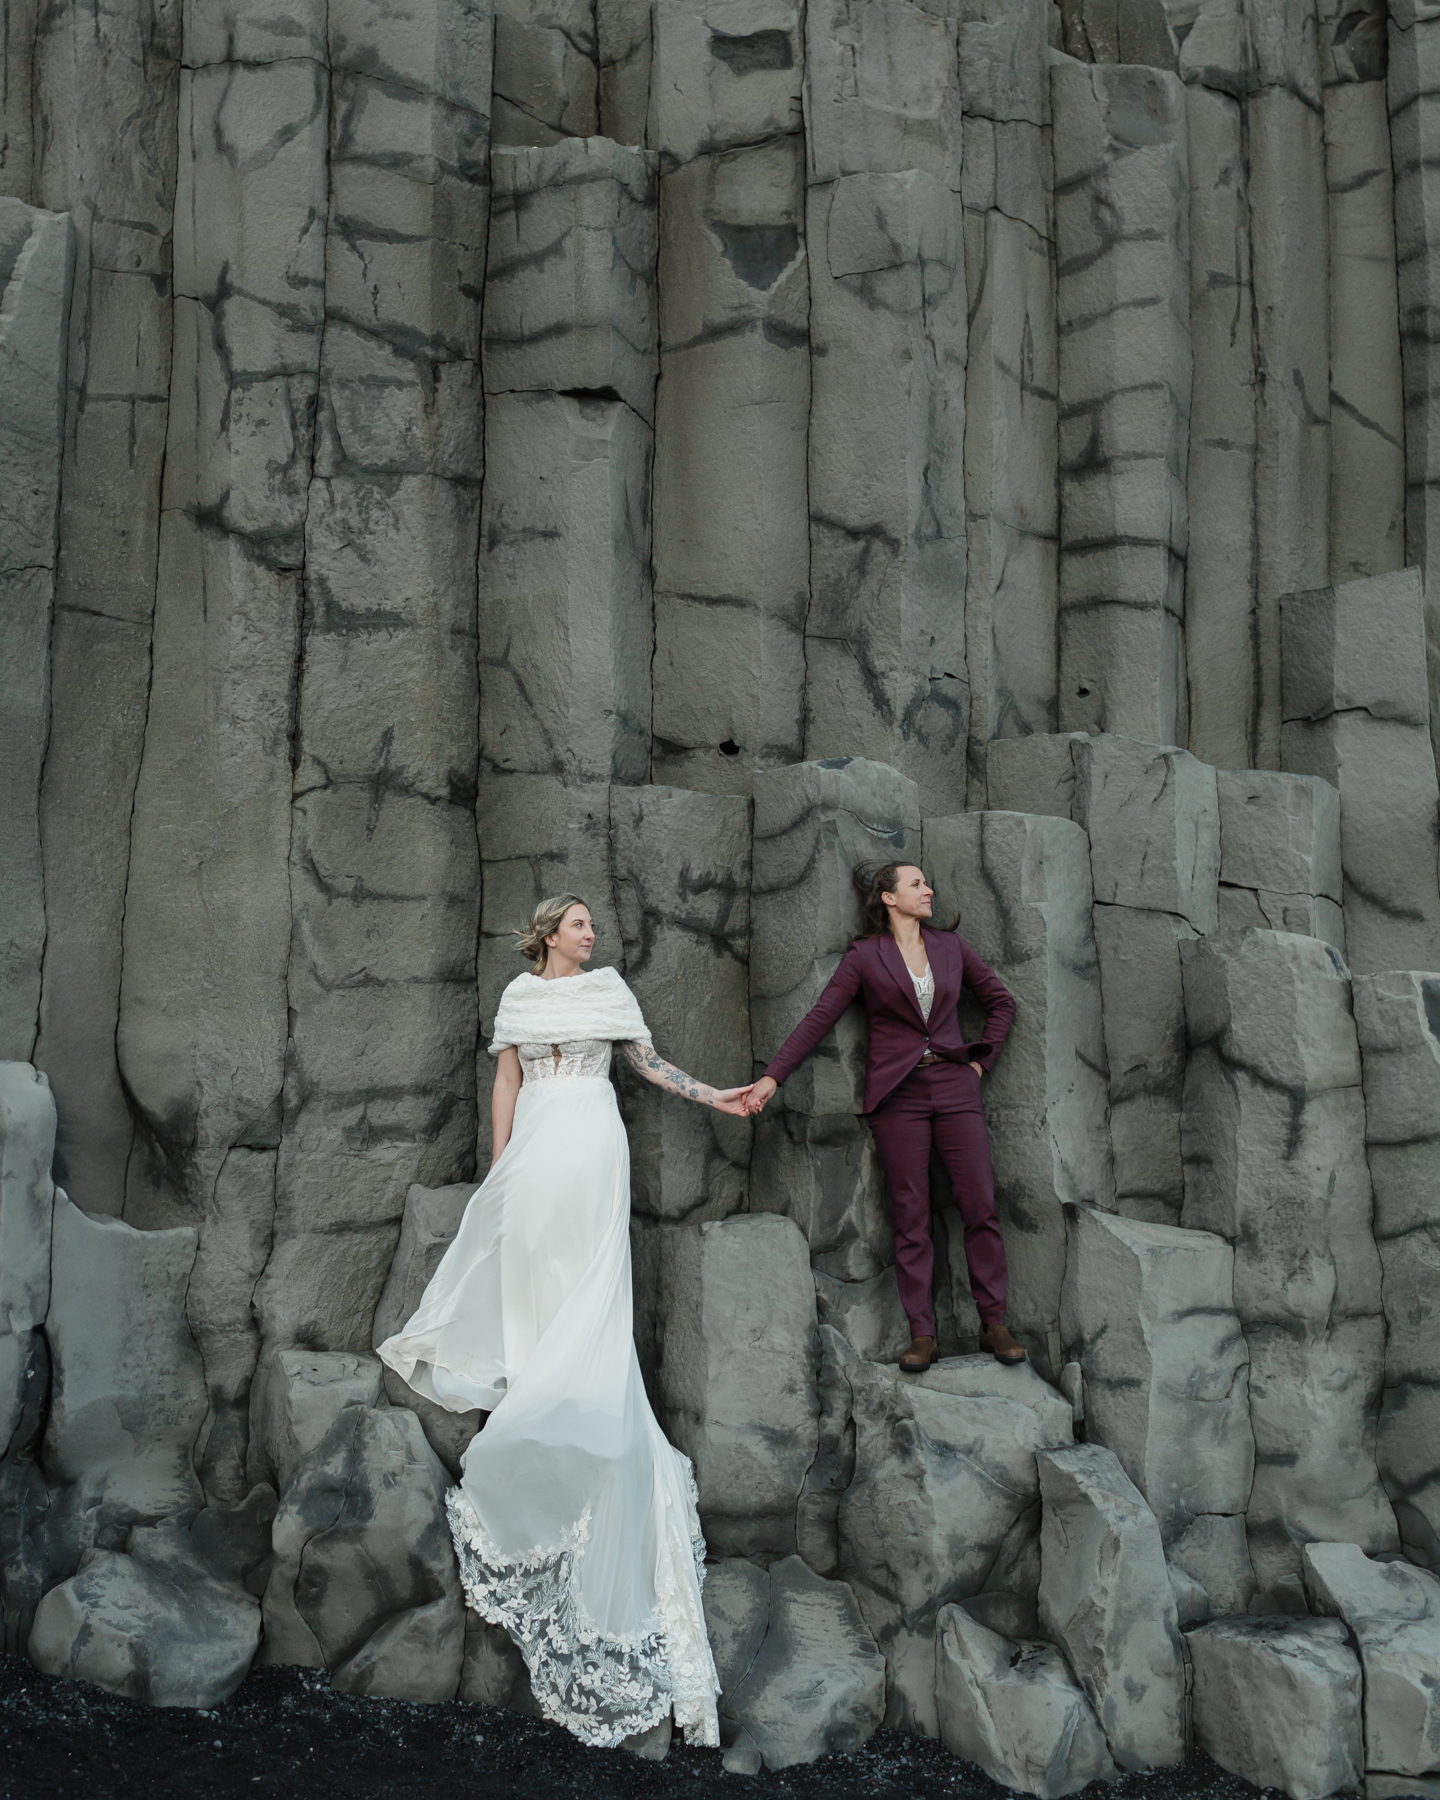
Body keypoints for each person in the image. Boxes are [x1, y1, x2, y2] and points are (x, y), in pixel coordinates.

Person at [378, 894, 754, 1750]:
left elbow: (650, 1066)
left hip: (592, 1138)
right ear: (549, 932)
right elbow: (506, 1079)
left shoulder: (611, 990)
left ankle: (576, 1403)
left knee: (592, 1275)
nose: (593, 935)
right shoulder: (517, 996)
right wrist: (502, 1169)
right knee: (534, 1265)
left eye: (592, 927)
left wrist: (719, 1098)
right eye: (580, 925)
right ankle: (540, 1383)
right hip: (539, 1144)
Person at [744, 861, 1023, 1373]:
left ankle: (994, 1322)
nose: (928, 889)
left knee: (979, 1202)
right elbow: (819, 1018)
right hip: (899, 1096)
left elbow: (1001, 1003)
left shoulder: (951, 947)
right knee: (910, 1213)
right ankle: (923, 1333)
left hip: (956, 1087)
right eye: (917, 884)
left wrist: (980, 1063)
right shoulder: (865, 957)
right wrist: (772, 1078)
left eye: (926, 882)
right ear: (889, 898)